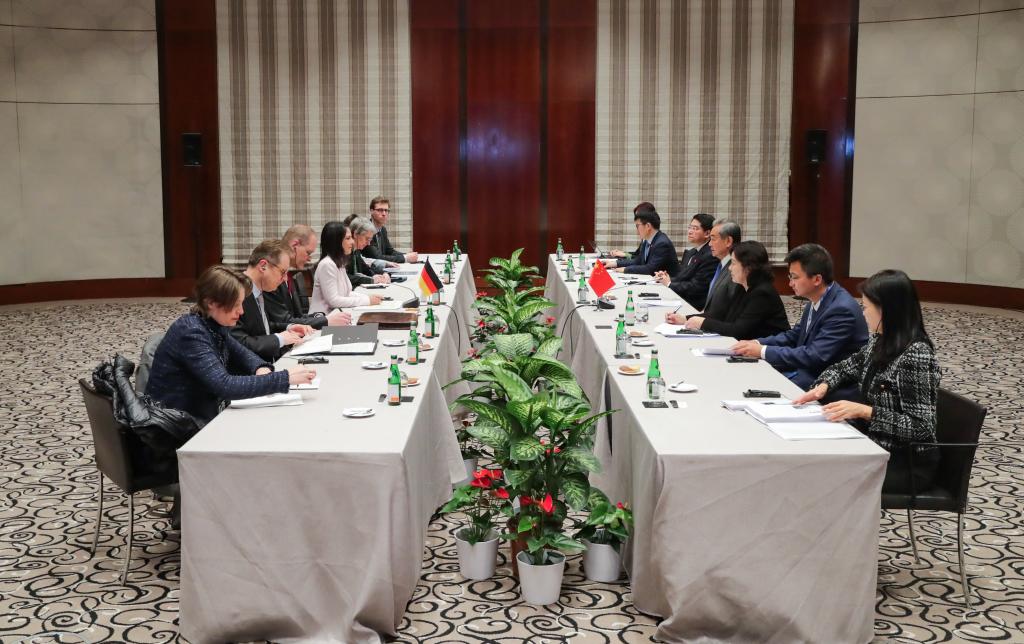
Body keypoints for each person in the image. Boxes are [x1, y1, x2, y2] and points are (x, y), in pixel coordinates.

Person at [793, 270, 939, 493]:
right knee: (810, 463)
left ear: (886, 311)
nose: (863, 313)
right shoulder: (880, 340)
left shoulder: (916, 354)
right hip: (872, 445)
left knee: (822, 479)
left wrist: (865, 411)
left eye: (866, 307)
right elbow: (845, 367)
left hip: (905, 462)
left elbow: (921, 428)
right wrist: (823, 386)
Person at [146, 265, 316, 424]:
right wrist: (284, 378)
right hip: (178, 426)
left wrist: (261, 368)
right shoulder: (191, 332)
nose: (241, 311)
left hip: (201, 415)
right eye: (235, 305)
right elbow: (225, 386)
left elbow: (243, 353)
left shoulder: (212, 324)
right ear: (211, 302)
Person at [731, 243, 868, 396]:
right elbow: (794, 335)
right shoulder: (816, 299)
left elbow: (815, 356)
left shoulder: (841, 310)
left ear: (817, 279)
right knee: (746, 377)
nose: (790, 283)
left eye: (795, 277)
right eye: (790, 277)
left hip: (829, 386)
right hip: (808, 373)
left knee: (755, 387)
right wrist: (757, 343)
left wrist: (763, 351)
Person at [231, 240, 316, 363]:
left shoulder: (259, 290)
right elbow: (238, 343)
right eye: (283, 272)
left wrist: (289, 328)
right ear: (263, 266)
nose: (285, 279)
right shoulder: (234, 292)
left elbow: (261, 328)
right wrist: (279, 339)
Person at [683, 241, 789, 340]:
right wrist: (685, 318)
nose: (729, 268)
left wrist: (703, 323)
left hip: (771, 347)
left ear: (748, 267)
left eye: (733, 263)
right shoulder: (742, 286)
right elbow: (721, 315)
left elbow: (738, 331)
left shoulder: (762, 293)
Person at [263, 224, 351, 329]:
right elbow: (284, 321)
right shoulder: (272, 278)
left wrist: (319, 316)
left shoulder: (288, 276)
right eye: (308, 252)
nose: (309, 259)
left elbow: (297, 316)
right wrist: (326, 320)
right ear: (295, 245)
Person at [665, 219, 741, 325]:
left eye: (713, 239)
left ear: (728, 241)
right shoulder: (722, 265)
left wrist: (694, 321)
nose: (709, 244)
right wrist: (686, 318)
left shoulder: (736, 271)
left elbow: (724, 315)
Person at [309, 220, 382, 313]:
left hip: (337, 314)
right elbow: (333, 301)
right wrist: (367, 301)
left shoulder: (339, 263)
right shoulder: (327, 264)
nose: (352, 242)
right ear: (336, 242)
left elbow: (346, 294)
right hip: (324, 317)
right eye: (348, 238)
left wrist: (369, 297)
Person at [653, 213, 717, 309]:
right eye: (690, 227)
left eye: (695, 228)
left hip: (693, 305)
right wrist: (666, 278)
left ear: (707, 233)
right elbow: (683, 278)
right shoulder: (691, 252)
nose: (690, 231)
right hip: (681, 299)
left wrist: (669, 283)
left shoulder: (710, 256)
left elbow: (697, 287)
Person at [600, 205, 680, 275]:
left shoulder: (662, 243)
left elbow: (650, 269)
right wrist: (614, 263)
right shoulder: (648, 241)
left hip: (668, 286)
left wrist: (625, 269)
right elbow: (638, 261)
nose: (636, 229)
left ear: (648, 226)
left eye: (637, 226)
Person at [362, 196, 418, 264]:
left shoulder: (383, 229)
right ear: (371, 211)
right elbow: (377, 257)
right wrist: (405, 258)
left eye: (386, 210)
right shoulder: (366, 230)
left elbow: (389, 251)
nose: (384, 214)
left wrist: (406, 255)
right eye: (380, 210)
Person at [345, 215, 393, 287]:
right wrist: (371, 280)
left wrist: (383, 274)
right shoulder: (344, 251)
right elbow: (345, 277)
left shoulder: (356, 251)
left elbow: (366, 269)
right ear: (355, 234)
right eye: (367, 239)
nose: (368, 243)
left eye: (370, 240)